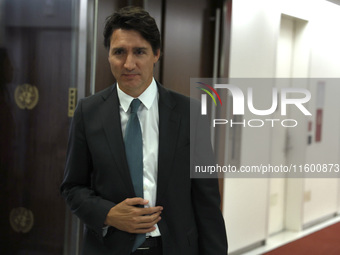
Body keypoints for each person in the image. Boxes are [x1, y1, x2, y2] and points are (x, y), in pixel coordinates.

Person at [60, 6, 227, 255]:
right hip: (108, 248)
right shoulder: (88, 112)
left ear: (156, 54)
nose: (129, 64)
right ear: (108, 55)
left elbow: (207, 203)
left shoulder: (190, 113)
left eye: (139, 52)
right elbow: (72, 187)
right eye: (119, 52)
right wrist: (107, 213)